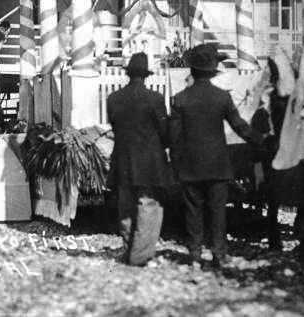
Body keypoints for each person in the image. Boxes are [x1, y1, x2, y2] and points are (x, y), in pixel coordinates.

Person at [169, 44, 264, 268]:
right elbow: (240, 126)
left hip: (190, 166)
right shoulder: (221, 97)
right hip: (218, 165)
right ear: (213, 72)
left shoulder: (180, 99)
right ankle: (219, 253)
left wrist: (175, 166)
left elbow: (174, 139)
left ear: (191, 71)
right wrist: (262, 140)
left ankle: (194, 253)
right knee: (217, 211)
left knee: (193, 211)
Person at [107, 52, 172, 266]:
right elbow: (164, 132)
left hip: (123, 158)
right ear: (145, 76)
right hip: (149, 160)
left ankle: (128, 248)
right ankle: (140, 255)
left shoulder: (113, 99)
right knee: (148, 204)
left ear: (128, 74)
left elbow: (116, 127)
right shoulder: (155, 99)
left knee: (125, 204)